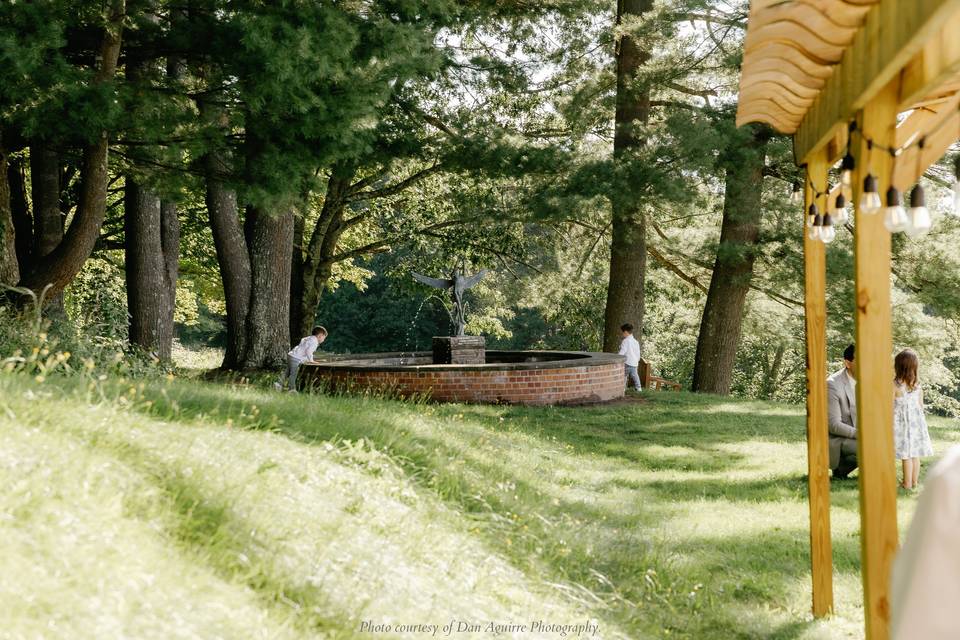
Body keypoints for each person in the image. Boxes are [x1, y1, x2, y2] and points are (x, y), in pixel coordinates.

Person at [893, 348, 934, 490]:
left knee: (906, 455)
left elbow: (890, 405)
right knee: (915, 454)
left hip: (902, 425)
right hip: (916, 424)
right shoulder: (917, 386)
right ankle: (914, 482)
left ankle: (907, 483)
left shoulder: (895, 385)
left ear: (898, 367)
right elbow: (920, 406)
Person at [826, 344, 858, 479]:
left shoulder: (871, 381)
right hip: (840, 438)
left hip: (861, 434)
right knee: (872, 446)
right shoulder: (832, 384)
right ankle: (841, 466)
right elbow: (833, 425)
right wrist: (862, 435)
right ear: (848, 363)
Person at [280, 326, 327, 392]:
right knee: (294, 374)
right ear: (320, 336)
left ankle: (279, 384)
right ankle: (291, 389)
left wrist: (312, 359)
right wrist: (311, 361)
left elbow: (305, 350)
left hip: (291, 355)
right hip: (296, 358)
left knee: (287, 372)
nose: (323, 340)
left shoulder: (309, 338)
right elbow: (308, 351)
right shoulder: (314, 342)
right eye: (324, 338)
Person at [618, 323, 642, 391]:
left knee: (623, 375)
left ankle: (622, 388)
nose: (622, 334)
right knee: (635, 376)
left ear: (625, 332)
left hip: (627, 362)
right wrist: (637, 360)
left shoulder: (625, 341)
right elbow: (638, 353)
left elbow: (622, 352)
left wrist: (618, 358)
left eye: (622, 332)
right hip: (634, 362)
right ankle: (638, 388)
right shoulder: (636, 342)